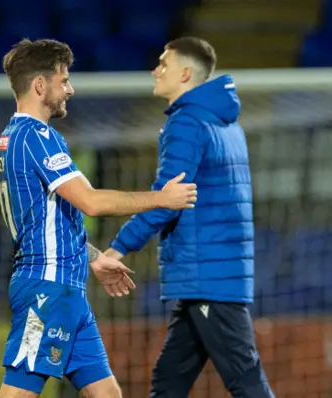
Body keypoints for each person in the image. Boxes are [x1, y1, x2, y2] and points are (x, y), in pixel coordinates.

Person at [0, 39, 197, 398]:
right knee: (19, 393)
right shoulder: (36, 137)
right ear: (40, 85)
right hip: (47, 289)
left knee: (107, 394)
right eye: (64, 80)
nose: (69, 89)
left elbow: (47, 218)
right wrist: (162, 198)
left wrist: (93, 257)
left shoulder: (17, 137)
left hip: (67, 289)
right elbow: (91, 203)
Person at [103, 37, 274, 397]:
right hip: (213, 273)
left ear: (184, 73)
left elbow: (167, 200)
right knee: (169, 381)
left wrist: (117, 250)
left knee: (246, 382)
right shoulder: (228, 125)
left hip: (207, 276)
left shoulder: (187, 123)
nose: (155, 70)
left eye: (163, 63)